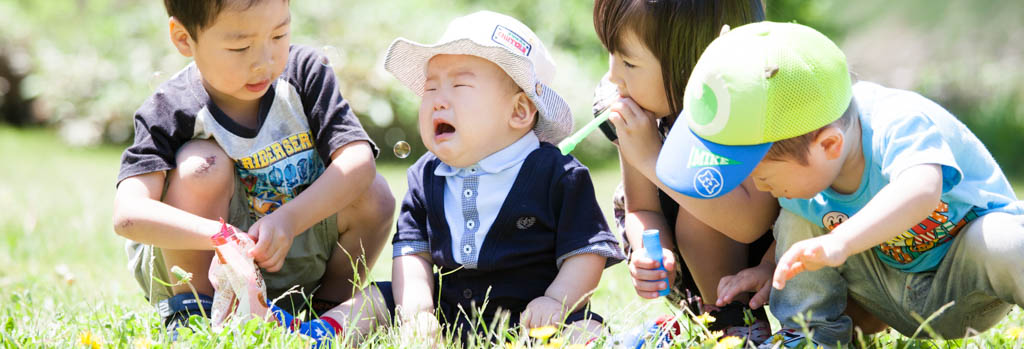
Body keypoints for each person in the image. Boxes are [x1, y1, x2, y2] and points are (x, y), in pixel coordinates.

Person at [656, 21, 1024, 348]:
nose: (757, 184)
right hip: (889, 288)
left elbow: (922, 189)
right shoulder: (811, 176)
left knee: (1002, 237)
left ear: (828, 145)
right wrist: (772, 268)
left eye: (761, 172)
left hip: (967, 283)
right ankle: (810, 336)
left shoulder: (896, 121)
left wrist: (840, 242)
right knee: (795, 218)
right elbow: (805, 230)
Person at [280, 10, 626, 345]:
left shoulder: (557, 174)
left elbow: (586, 252)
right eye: (430, 88)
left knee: (583, 331)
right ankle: (319, 334)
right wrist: (417, 311)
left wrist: (556, 301)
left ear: (519, 111)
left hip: (535, 319)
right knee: (376, 297)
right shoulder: (426, 175)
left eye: (459, 85)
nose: (437, 101)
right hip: (448, 314)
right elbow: (412, 253)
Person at [112, 0, 396, 331]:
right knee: (200, 165)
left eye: (279, 35)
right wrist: (220, 237)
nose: (264, 61)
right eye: (240, 46)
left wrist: (290, 220)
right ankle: (194, 318)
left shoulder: (305, 73)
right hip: (206, 258)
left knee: (373, 193)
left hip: (291, 240)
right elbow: (128, 216)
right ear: (184, 38)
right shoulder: (170, 109)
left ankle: (322, 313)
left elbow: (359, 162)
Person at [592, 0, 776, 342]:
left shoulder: (746, 112)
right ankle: (722, 319)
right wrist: (651, 247)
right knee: (691, 202)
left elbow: (751, 224)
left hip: (784, 247)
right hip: (701, 268)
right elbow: (641, 208)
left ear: (691, 66)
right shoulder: (640, 114)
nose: (613, 76)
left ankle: (752, 319)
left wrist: (651, 159)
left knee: (698, 197)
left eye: (629, 62)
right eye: (611, 54)